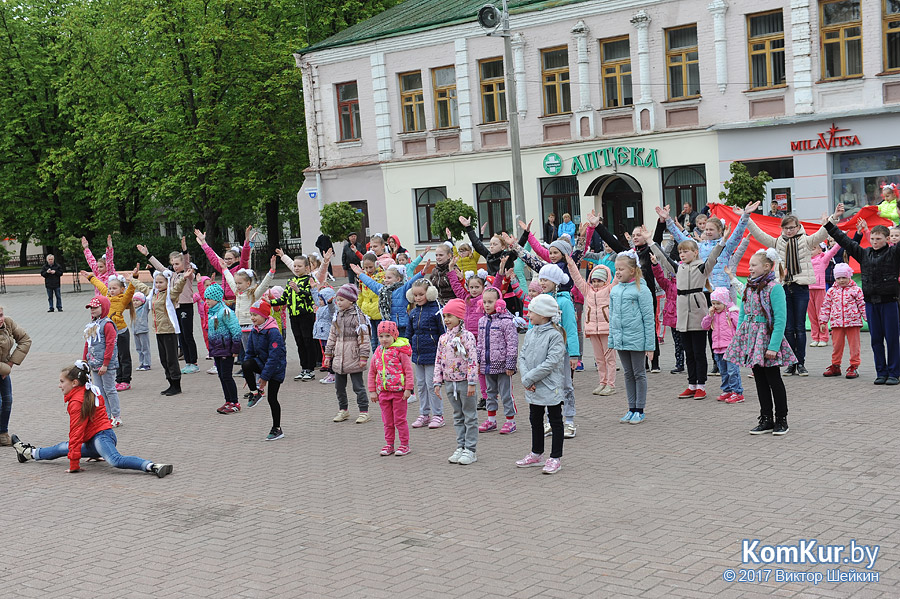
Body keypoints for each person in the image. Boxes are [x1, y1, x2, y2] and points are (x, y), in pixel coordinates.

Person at [12, 364, 172, 476]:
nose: (59, 386)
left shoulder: (77, 402)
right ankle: (28, 453)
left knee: (115, 460)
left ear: (74, 383)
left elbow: (76, 432)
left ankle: (152, 466)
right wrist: (95, 452)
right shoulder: (89, 391)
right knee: (63, 448)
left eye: (62, 382)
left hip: (101, 437)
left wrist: (74, 465)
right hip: (99, 438)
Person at [745, 209, 830, 376]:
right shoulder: (778, 242)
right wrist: (747, 218)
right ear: (782, 228)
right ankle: (791, 362)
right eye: (786, 228)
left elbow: (821, 234)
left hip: (801, 287)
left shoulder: (806, 241)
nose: (789, 230)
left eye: (792, 227)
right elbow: (759, 235)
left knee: (799, 326)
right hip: (784, 287)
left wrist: (830, 219)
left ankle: (801, 363)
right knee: (787, 327)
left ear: (798, 227)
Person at [825, 204, 900, 384]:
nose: (874, 241)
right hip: (871, 303)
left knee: (892, 339)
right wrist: (829, 226)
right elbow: (846, 241)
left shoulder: (894, 253)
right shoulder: (864, 254)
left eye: (878, 238)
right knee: (875, 340)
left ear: (888, 239)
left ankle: (894, 373)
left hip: (889, 302)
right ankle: (881, 372)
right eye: (872, 238)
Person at [725, 249, 796, 435]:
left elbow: (780, 319)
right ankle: (766, 418)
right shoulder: (749, 286)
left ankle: (782, 419)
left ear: (766, 266)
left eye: (753, 265)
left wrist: (773, 346)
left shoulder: (775, 288)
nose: (750, 268)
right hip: (751, 339)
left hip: (767, 338)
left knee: (773, 379)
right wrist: (741, 340)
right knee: (759, 380)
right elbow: (743, 313)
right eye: (749, 265)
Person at [650, 230, 728, 400]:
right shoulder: (679, 268)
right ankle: (691, 384)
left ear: (695, 252)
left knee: (699, 352)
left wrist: (722, 241)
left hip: (697, 314)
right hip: (682, 316)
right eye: (680, 252)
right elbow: (663, 258)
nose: (682, 254)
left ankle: (701, 385)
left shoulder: (701, 267)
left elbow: (713, 258)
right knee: (689, 353)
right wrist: (650, 242)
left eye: (686, 251)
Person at [515, 294, 567, 475]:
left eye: (532, 311)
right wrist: (526, 377)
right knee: (535, 419)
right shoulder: (530, 332)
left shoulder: (555, 335)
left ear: (543, 314)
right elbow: (522, 356)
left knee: (555, 420)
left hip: (549, 385)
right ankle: (537, 453)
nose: (528, 315)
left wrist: (530, 378)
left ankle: (555, 457)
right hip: (532, 384)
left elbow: (551, 362)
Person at [608, 251, 655, 424]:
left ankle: (640, 409)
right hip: (622, 340)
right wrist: (612, 340)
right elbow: (612, 316)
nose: (618, 272)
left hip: (637, 339)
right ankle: (631, 408)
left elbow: (649, 319)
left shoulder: (641, 290)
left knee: (639, 373)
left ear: (633, 271)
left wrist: (650, 346)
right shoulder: (615, 290)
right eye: (616, 269)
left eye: (621, 269)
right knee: (628, 374)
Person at [127, 265, 188, 396]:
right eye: (156, 282)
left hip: (169, 330)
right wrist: (132, 279)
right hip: (158, 330)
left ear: (167, 282)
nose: (158, 284)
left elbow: (178, 288)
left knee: (171, 359)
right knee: (163, 359)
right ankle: (170, 382)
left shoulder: (170, 294)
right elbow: (143, 288)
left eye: (161, 282)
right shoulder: (153, 293)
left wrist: (183, 278)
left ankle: (176, 385)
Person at [533, 264, 579, 438]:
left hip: (562, 353)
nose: (542, 282)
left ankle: (569, 420)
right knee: (546, 386)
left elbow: (571, 328)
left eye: (546, 279)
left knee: (566, 385)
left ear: (555, 281)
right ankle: (550, 421)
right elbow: (533, 325)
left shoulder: (564, 302)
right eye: (541, 279)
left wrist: (574, 353)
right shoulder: (538, 300)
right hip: (543, 353)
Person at [142, 239, 200, 375]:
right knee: (180, 335)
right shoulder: (172, 275)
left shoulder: (188, 274)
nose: (174, 266)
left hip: (186, 306)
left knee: (187, 334)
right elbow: (161, 268)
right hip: (175, 307)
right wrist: (148, 255)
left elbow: (186, 263)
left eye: (177, 264)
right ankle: (187, 362)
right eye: (173, 264)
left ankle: (194, 362)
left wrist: (185, 250)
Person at [434, 298, 479, 465]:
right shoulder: (443, 338)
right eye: (445, 315)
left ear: (459, 317)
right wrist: (437, 381)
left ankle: (471, 449)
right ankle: (460, 446)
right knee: (457, 416)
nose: (446, 319)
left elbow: (473, 360)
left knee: (470, 416)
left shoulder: (467, 337)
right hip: (449, 382)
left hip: (465, 382)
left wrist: (472, 382)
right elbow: (438, 360)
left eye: (450, 315)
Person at [565, 254, 615, 396]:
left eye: (600, 281)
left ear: (606, 280)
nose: (596, 283)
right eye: (594, 280)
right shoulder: (587, 291)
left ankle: (611, 384)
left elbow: (617, 278)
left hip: (607, 329)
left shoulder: (610, 289)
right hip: (593, 330)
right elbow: (577, 277)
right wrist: (571, 264)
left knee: (610, 359)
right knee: (599, 359)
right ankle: (602, 382)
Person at [323, 284, 372, 424]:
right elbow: (332, 336)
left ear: (351, 300)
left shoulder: (358, 317)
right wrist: (328, 355)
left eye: (341, 300)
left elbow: (364, 339)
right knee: (339, 387)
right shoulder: (337, 316)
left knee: (358, 386)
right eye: (337, 300)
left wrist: (363, 357)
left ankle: (364, 411)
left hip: (354, 357)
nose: (338, 303)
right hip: (339, 358)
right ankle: (343, 409)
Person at [83, 271, 136, 395]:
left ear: (121, 289)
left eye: (114, 288)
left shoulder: (123, 299)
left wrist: (134, 279)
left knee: (124, 357)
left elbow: (130, 291)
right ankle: (118, 379)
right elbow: (101, 285)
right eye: (110, 288)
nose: (111, 290)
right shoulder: (107, 296)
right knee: (115, 356)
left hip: (121, 332)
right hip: (109, 333)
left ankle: (126, 380)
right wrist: (91, 277)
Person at [475, 286, 519, 435]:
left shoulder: (507, 322)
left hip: (503, 365)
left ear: (499, 302)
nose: (487, 305)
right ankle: (491, 420)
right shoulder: (482, 321)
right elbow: (480, 343)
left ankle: (510, 421)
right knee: (489, 393)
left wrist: (510, 364)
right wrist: (479, 361)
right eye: (485, 302)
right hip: (487, 365)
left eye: (490, 302)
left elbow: (512, 344)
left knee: (506, 394)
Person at [242, 301, 287, 440]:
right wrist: (247, 373)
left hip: (276, 368)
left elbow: (274, 357)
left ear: (264, 315)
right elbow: (249, 352)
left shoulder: (273, 332)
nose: (252, 318)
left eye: (255, 315)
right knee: (246, 363)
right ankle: (255, 393)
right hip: (263, 364)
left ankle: (277, 428)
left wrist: (264, 378)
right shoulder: (255, 329)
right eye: (251, 315)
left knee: (272, 399)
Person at [368, 320, 413, 456]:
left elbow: (408, 370)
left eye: (387, 336)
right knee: (387, 421)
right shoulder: (377, 351)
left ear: (394, 336)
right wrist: (372, 391)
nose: (384, 339)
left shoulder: (400, 351)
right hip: (383, 392)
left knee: (399, 419)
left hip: (398, 392)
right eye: (381, 336)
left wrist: (408, 388)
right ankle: (389, 444)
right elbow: (372, 372)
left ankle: (404, 444)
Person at [447, 262, 489, 409]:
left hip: (482, 338)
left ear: (483, 288)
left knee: (482, 369)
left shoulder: (484, 300)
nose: (474, 290)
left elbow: (496, 286)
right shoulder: (466, 298)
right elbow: (457, 288)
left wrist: (501, 273)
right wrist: (452, 271)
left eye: (477, 287)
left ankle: (487, 396)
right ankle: (480, 395)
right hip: (468, 339)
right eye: (471, 287)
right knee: (473, 368)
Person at [273, 249, 318, 381]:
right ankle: (304, 368)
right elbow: (283, 299)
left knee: (308, 340)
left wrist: (298, 290)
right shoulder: (291, 280)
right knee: (299, 341)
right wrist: (269, 302)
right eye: (295, 266)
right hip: (294, 316)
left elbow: (311, 296)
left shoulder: (309, 279)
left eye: (299, 266)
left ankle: (311, 368)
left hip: (306, 315)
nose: (296, 268)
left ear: (307, 268)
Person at [406, 279, 445, 429]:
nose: (418, 298)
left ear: (429, 293)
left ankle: (438, 415)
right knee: (421, 385)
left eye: (421, 294)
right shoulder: (413, 312)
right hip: (418, 355)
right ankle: (424, 414)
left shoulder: (437, 311)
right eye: (415, 295)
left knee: (432, 385)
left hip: (433, 355)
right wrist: (407, 348)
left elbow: (443, 333)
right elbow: (409, 333)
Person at [201, 283, 244, 414]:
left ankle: (235, 402)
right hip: (217, 350)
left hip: (226, 350)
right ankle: (228, 400)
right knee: (221, 376)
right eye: (206, 298)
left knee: (226, 376)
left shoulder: (225, 312)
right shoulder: (212, 312)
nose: (207, 301)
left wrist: (235, 350)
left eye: (209, 298)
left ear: (217, 298)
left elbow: (236, 331)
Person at [819, 263, 866, 379]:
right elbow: (826, 306)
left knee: (854, 346)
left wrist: (868, 318)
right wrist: (823, 321)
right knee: (836, 346)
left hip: (853, 323)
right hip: (836, 323)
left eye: (844, 277)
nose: (841, 280)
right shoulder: (831, 291)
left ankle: (854, 366)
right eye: (838, 278)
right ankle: (836, 365)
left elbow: (862, 305)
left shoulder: (856, 290)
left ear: (849, 276)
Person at [82, 296, 123, 427]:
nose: (92, 310)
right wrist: (85, 360)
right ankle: (105, 415)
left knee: (110, 389)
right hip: (94, 364)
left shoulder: (108, 324)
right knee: (99, 391)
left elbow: (111, 345)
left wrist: (105, 364)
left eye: (95, 307)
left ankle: (116, 416)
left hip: (106, 365)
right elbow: (87, 344)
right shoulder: (92, 325)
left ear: (103, 308)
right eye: (91, 308)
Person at [701, 287, 743, 403]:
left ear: (724, 302)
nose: (715, 306)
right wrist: (709, 315)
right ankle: (727, 390)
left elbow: (739, 326)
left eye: (718, 303)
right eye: (713, 303)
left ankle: (737, 392)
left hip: (730, 347)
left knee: (732, 371)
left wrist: (738, 342)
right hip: (717, 348)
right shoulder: (713, 314)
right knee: (723, 371)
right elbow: (704, 326)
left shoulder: (731, 313)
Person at [195, 226, 252, 307]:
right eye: (225, 259)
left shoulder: (241, 269)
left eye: (229, 259)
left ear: (237, 259)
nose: (227, 261)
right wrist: (204, 243)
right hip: (225, 302)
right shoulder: (224, 268)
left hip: (237, 302)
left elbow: (245, 258)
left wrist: (246, 242)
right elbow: (213, 258)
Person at [0, 306, 30, 446]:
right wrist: (5, 369)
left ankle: (3, 433)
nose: (0, 319)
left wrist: (10, 363)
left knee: (7, 401)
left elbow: (25, 340)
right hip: (3, 370)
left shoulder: (8, 323)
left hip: (4, 370)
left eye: (1, 315)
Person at [809, 241, 842, 347]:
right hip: (807, 289)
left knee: (821, 314)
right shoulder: (805, 261)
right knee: (811, 315)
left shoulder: (823, 259)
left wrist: (839, 240)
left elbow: (832, 252)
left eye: (813, 248)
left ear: (820, 250)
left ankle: (823, 337)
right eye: (810, 248)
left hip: (819, 289)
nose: (811, 251)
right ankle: (815, 337)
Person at [313, 287, 336, 384]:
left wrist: (330, 303)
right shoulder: (321, 307)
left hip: (327, 334)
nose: (319, 302)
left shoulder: (330, 308)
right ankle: (330, 373)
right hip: (321, 334)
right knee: (326, 353)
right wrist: (313, 289)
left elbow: (332, 310)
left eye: (322, 299)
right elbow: (315, 299)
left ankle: (333, 373)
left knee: (330, 354)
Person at [132, 292, 152, 371]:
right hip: (135, 331)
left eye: (137, 300)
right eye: (134, 300)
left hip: (143, 330)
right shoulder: (133, 309)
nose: (135, 302)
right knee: (138, 348)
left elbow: (147, 300)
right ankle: (142, 363)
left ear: (142, 301)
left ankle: (147, 363)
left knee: (145, 348)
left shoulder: (144, 307)